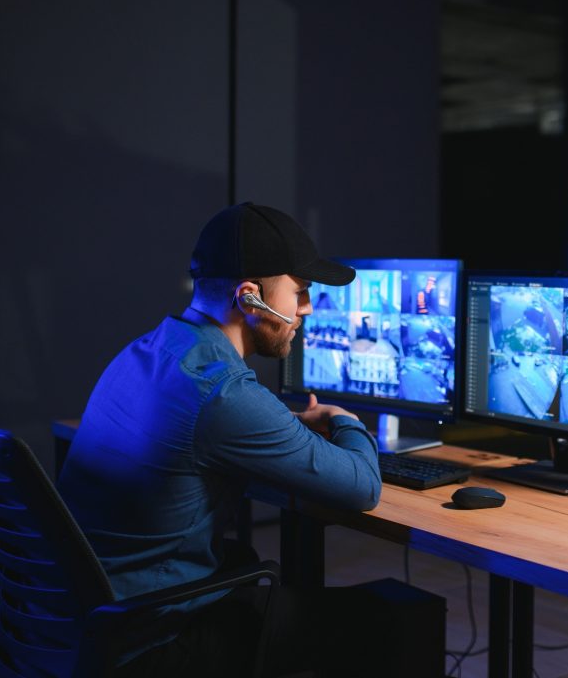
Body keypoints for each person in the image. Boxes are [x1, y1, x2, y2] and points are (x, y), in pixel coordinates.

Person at [57, 202, 383, 676]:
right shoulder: (223, 394)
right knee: (386, 617)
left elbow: (203, 428)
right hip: (145, 643)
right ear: (250, 297)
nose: (307, 309)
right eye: (300, 291)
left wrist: (279, 424)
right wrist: (345, 420)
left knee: (246, 564)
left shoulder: (146, 351)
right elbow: (363, 487)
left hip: (75, 621)